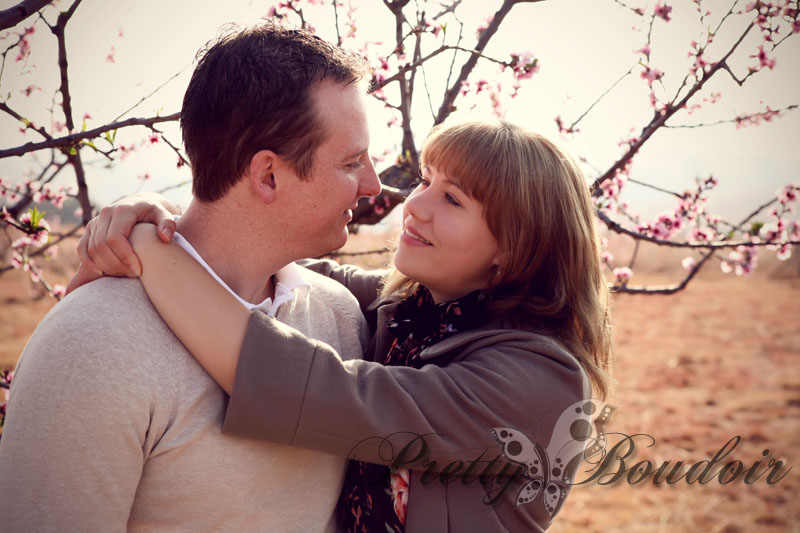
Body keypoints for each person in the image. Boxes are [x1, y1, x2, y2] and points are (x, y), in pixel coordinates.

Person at [71, 120, 615, 532]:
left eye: (452, 199)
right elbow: (249, 251)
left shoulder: (537, 383)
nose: (415, 206)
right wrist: (153, 213)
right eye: (426, 181)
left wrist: (147, 246)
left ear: (515, 247)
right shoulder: (408, 312)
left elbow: (304, 388)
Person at [0, 22, 382, 531]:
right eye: (352, 162)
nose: (372, 185)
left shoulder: (339, 316)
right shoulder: (90, 345)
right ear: (267, 175)